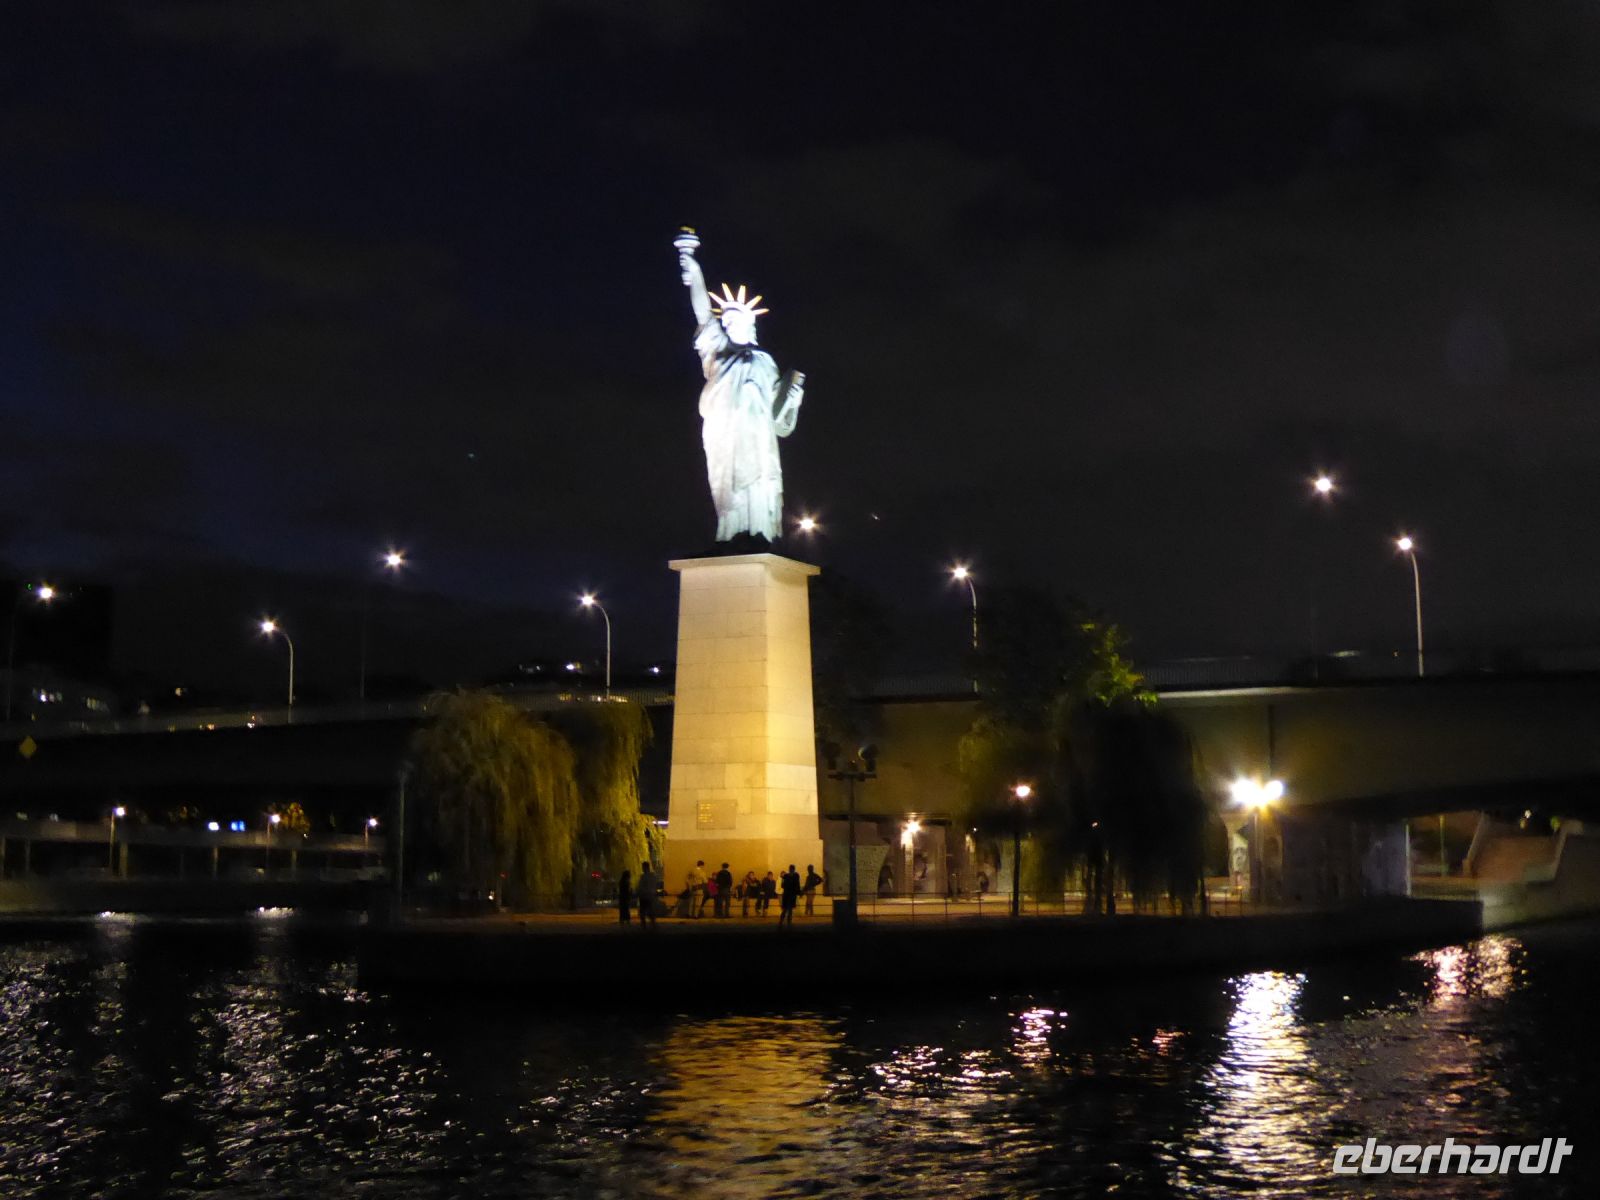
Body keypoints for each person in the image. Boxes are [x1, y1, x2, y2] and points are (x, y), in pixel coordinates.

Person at [674, 229, 806, 542]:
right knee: (727, 485)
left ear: (751, 325)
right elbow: (704, 314)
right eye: (727, 321)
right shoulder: (717, 349)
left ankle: (761, 533)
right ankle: (731, 533)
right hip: (726, 433)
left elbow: (778, 421)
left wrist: (793, 401)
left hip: (758, 436)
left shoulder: (765, 361)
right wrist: (694, 271)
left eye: (736, 320)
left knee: (760, 483)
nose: (730, 324)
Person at [636, 862, 658, 928]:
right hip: (649, 896)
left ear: (645, 867)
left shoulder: (644, 877)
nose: (642, 868)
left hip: (644, 896)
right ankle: (652, 924)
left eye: (643, 867)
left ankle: (645, 925)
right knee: (650, 910)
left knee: (643, 911)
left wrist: (640, 892)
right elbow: (655, 885)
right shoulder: (652, 876)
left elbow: (641, 886)